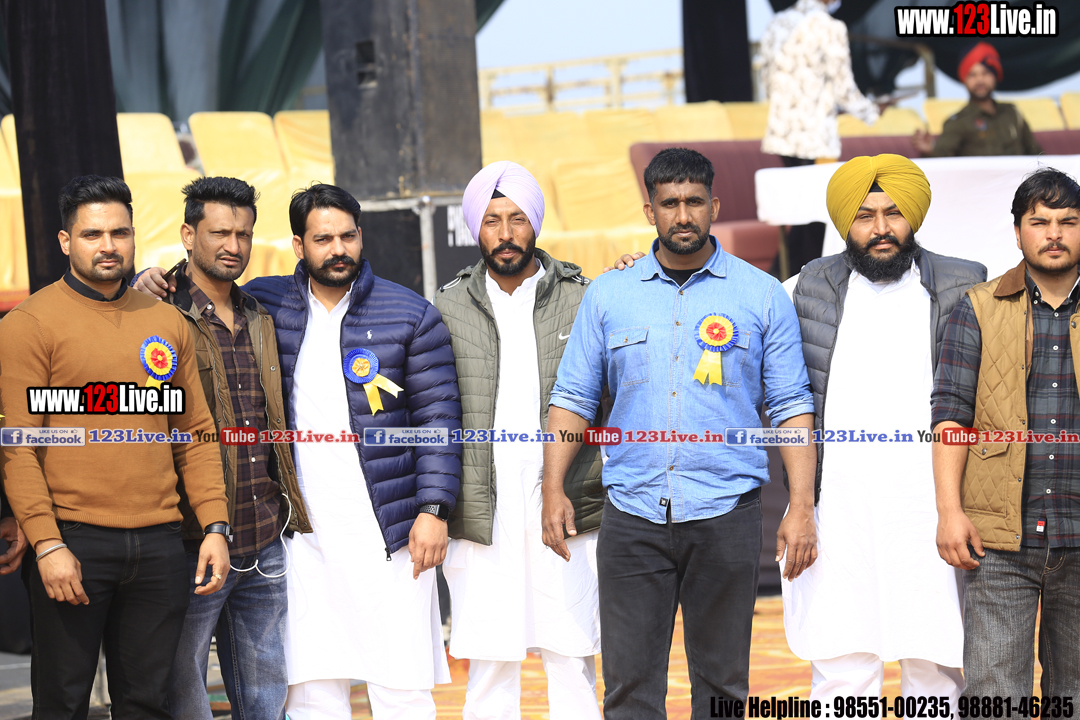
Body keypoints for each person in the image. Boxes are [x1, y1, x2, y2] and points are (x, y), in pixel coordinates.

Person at [543, 147, 818, 719]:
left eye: (694, 202)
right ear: (651, 211)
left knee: (722, 688)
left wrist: (801, 505)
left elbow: (791, 405)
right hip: (632, 514)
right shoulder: (609, 294)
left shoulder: (761, 294)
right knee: (629, 689)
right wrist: (552, 488)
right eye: (670, 203)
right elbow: (573, 399)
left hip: (727, 513)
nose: (683, 215)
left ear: (714, 206)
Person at [0, 175, 230, 718]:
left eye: (119, 233)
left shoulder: (166, 321)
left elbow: (196, 435)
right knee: (62, 705)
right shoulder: (29, 324)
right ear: (65, 241)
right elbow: (17, 448)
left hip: (160, 546)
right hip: (73, 541)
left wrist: (215, 526)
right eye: (92, 234)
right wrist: (47, 544)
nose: (108, 246)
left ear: (133, 236)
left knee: (147, 705)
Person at [245, 184, 460, 719]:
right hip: (302, 536)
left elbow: (438, 420)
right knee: (312, 688)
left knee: (401, 685)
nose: (338, 249)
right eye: (323, 239)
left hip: (390, 531)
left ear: (361, 236)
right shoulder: (262, 305)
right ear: (299, 245)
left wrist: (434, 510)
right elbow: (197, 296)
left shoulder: (409, 313)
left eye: (348, 236)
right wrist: (155, 279)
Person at [781, 154, 985, 700]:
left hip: (933, 505)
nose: (880, 229)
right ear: (844, 222)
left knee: (935, 665)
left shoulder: (967, 284)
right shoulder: (804, 287)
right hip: (837, 506)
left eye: (893, 213)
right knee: (842, 665)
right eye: (865, 216)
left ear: (912, 216)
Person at [133, 176, 313, 720]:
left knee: (265, 696)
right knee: (183, 689)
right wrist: (137, 289)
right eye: (219, 233)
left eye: (244, 234)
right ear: (189, 235)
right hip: (192, 540)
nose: (234, 245)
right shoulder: (153, 313)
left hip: (263, 534)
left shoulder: (259, 315)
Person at [433, 161, 604, 720]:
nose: (505, 234)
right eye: (491, 221)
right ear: (474, 228)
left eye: (517, 219)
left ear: (536, 223)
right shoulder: (447, 306)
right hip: (484, 510)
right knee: (489, 666)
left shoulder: (584, 297)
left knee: (572, 657)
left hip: (567, 500)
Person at [933, 167, 1080, 700]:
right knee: (996, 697)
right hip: (999, 540)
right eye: (1039, 222)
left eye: (1068, 222)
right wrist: (949, 511)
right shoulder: (977, 307)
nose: (1054, 234)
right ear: (1017, 232)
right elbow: (951, 417)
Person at [760, 0, 883, 275]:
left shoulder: (776, 23)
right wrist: (872, 111)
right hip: (815, 138)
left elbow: (766, 78)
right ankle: (789, 276)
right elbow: (844, 88)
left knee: (805, 214)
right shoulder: (830, 26)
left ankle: (788, 277)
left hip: (782, 135)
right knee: (817, 214)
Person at [912, 42, 1041, 157]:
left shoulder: (1011, 112)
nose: (980, 80)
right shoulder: (958, 121)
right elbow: (941, 155)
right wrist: (929, 151)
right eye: (972, 75)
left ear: (995, 76)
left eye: (985, 73)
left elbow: (1035, 152)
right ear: (965, 80)